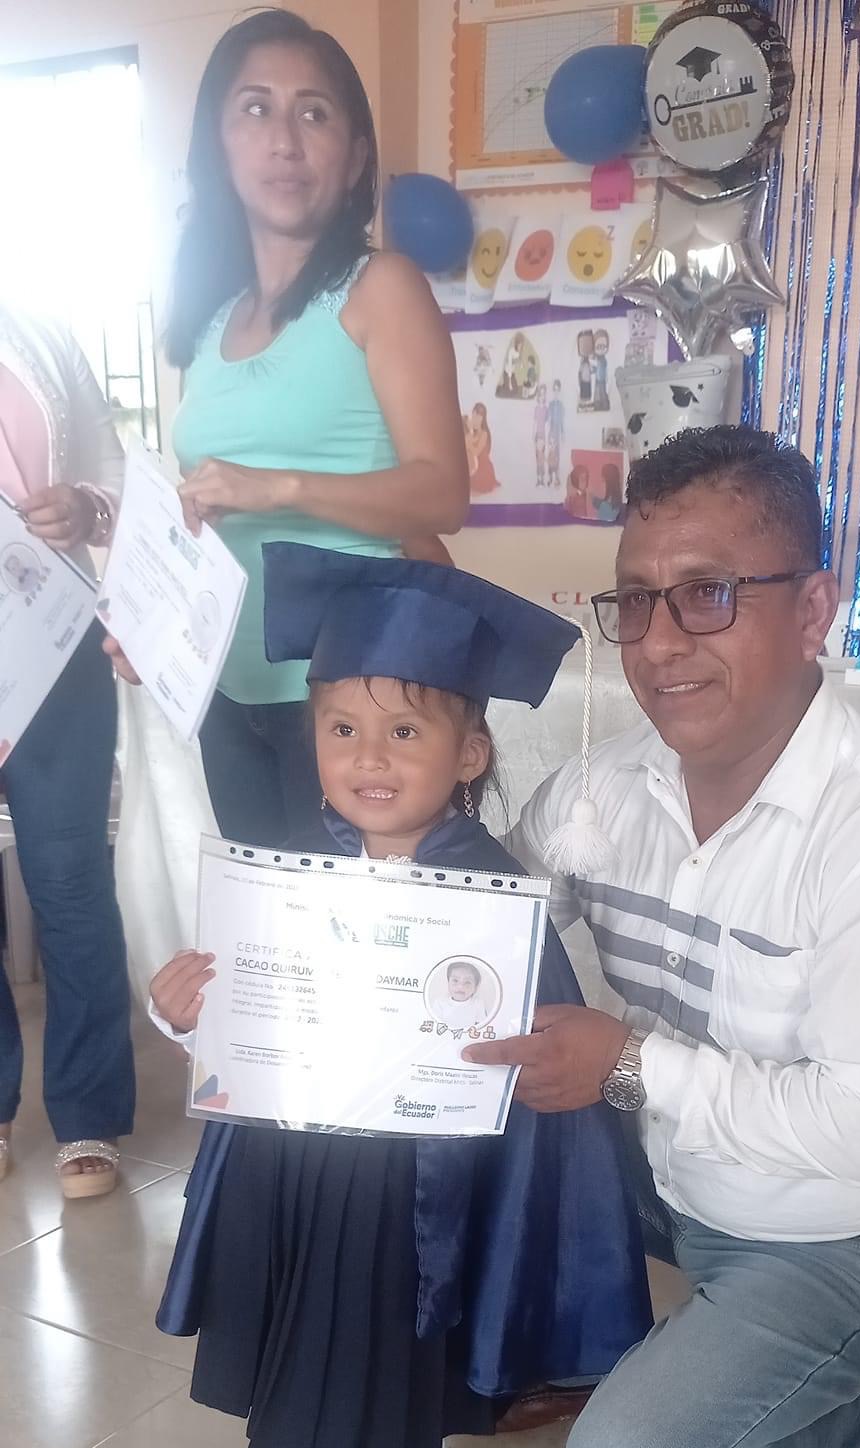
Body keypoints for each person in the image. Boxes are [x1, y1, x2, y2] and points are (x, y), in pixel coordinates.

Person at [472, 424, 860, 1448]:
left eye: (707, 594)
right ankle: (600, 1341)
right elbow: (469, 924)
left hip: (852, 1236)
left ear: (812, 609)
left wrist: (627, 1063)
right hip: (680, 1174)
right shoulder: (603, 788)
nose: (659, 643)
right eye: (635, 601)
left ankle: (847, 1415)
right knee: (467, 1115)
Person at [149, 549, 651, 1448]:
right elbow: (247, 1016)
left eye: (405, 731)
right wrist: (185, 1015)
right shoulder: (287, 877)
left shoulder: (491, 893)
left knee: (415, 1311)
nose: (368, 757)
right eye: (341, 729)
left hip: (437, 1164)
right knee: (314, 1300)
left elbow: (535, 1041)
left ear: (469, 752)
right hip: (306, 1153)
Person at [161, 7, 469, 847]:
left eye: (314, 112)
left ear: (356, 154)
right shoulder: (209, 323)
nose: (284, 141)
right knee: (262, 924)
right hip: (229, 687)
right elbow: (208, 513)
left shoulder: (380, 287)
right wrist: (156, 627)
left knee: (350, 926)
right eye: (255, 108)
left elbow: (441, 493)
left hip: (354, 691)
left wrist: (279, 487)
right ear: (219, 143)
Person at [0, 303, 134, 1200]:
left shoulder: (38, 336)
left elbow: (116, 471)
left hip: (53, 639)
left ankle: (88, 1111)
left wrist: (89, 507)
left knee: (70, 881)